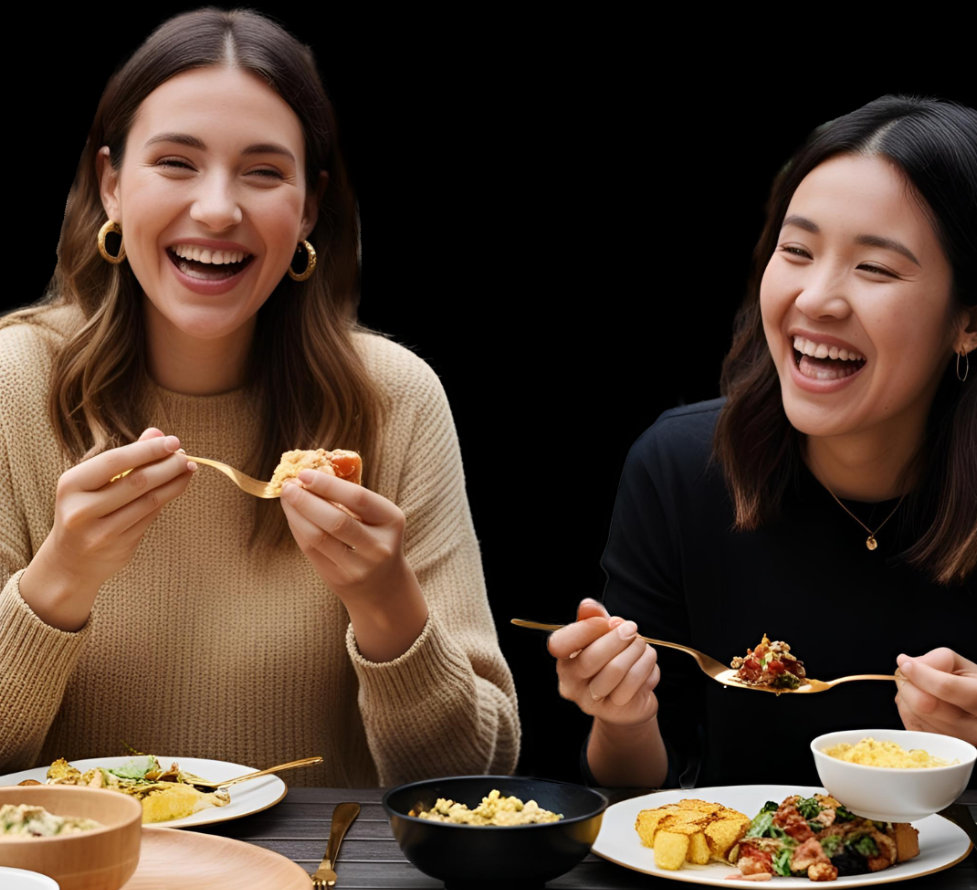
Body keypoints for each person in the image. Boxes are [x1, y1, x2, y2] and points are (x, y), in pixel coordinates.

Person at [0, 7, 519, 785]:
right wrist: (57, 584)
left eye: (263, 171)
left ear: (308, 207)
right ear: (110, 185)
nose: (216, 208)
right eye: (176, 162)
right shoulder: (14, 383)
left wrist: (385, 606)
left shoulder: (393, 398)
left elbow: (472, 780)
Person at [546, 95, 977, 789]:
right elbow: (633, 800)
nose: (815, 299)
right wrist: (620, 718)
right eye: (797, 251)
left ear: (967, 320)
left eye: (874, 268)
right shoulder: (682, 468)